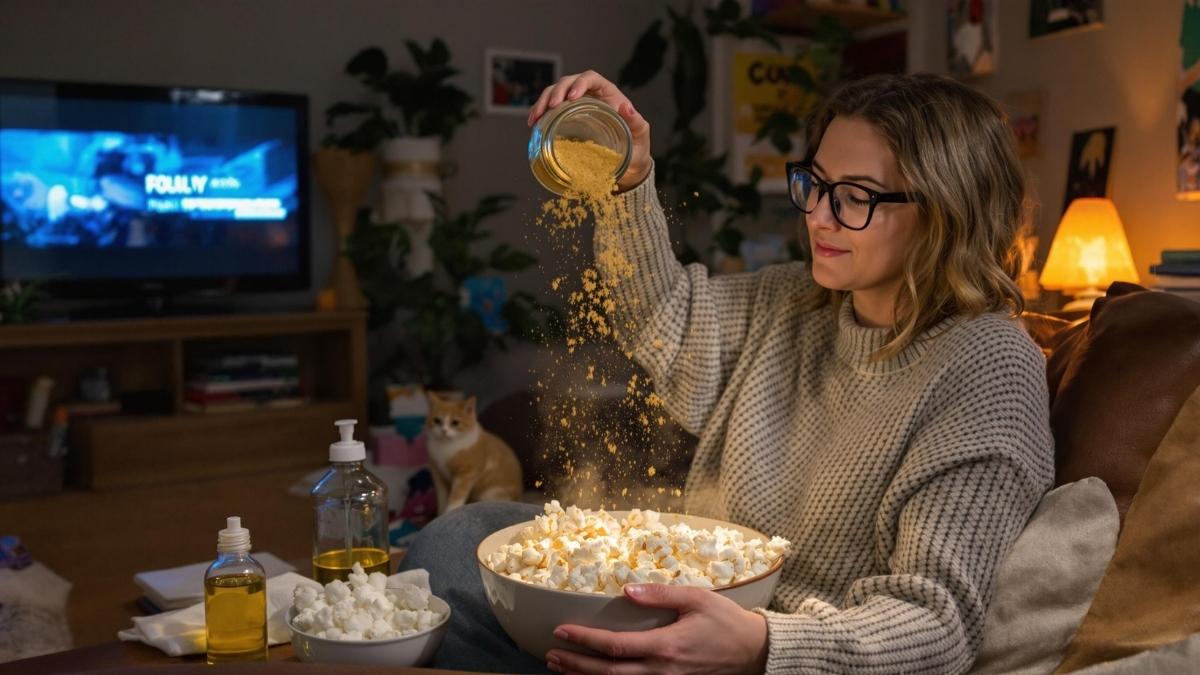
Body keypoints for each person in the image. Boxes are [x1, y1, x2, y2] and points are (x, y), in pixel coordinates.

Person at [399, 70, 1054, 675]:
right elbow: (662, 319)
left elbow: (937, 620)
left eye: (854, 197)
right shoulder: (795, 300)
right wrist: (628, 178)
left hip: (782, 652)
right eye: (815, 183)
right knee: (450, 549)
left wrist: (762, 644)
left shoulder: (988, 366)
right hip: (692, 597)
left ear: (946, 212)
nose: (818, 216)